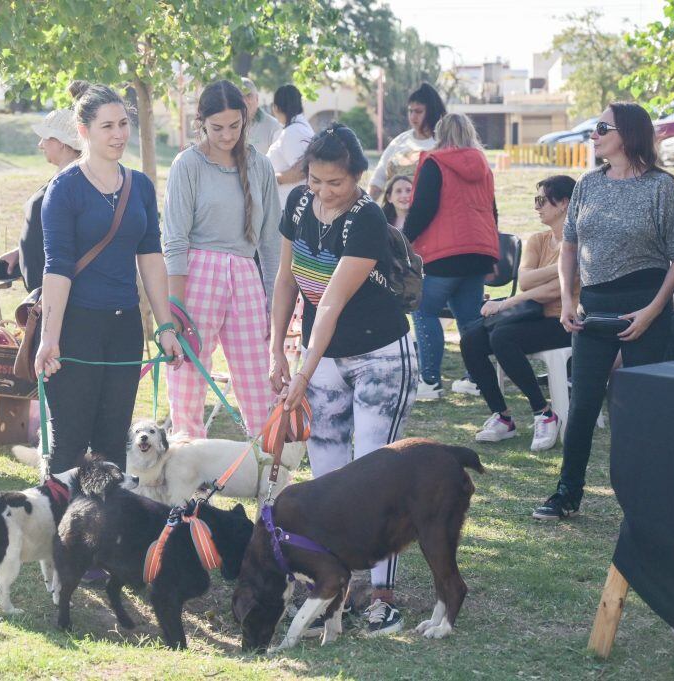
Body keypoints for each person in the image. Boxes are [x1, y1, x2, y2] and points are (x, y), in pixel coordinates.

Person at [272, 124, 417, 635]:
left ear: (357, 177)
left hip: (380, 356)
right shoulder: (295, 205)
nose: (323, 191)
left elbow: (331, 301)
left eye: (335, 182)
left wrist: (302, 369)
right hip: (322, 356)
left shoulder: (367, 219)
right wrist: (278, 354)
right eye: (315, 179)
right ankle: (331, 589)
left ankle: (380, 594)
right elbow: (287, 281)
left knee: (376, 471)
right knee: (329, 477)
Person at [533, 103, 674, 521]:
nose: (593, 135)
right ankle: (567, 494)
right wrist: (566, 302)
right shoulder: (588, 184)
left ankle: (649, 498)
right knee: (581, 406)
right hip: (592, 310)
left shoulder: (660, 188)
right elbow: (569, 247)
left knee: (642, 406)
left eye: (601, 127)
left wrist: (653, 311)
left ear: (628, 134)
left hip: (645, 308)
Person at [35, 83, 184, 473]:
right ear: (83, 131)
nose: (118, 134)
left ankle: (101, 531)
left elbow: (151, 256)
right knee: (70, 443)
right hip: (76, 326)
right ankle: (59, 530)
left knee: (112, 444)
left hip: (125, 328)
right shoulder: (63, 189)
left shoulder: (140, 186)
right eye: (107, 126)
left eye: (122, 124)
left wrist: (165, 325)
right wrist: (49, 338)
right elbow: (57, 267)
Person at [163, 80, 281, 438]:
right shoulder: (188, 164)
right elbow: (175, 239)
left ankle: (267, 469)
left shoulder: (260, 166)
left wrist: (276, 306)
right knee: (187, 379)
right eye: (217, 128)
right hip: (197, 273)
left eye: (235, 125)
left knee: (259, 379)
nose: (227, 135)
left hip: (246, 274)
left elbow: (273, 242)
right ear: (201, 122)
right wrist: (175, 309)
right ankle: (186, 468)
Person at [460, 175, 579, 451]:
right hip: (532, 316)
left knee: (503, 337)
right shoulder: (538, 240)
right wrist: (563, 265)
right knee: (471, 338)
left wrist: (505, 304)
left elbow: (555, 292)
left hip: (563, 321)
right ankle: (502, 417)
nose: (536, 207)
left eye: (541, 200)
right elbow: (526, 280)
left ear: (563, 203)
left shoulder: (581, 243)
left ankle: (543, 412)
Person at [404, 113, 499, 400]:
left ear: (440, 134)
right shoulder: (484, 166)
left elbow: (423, 208)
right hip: (478, 251)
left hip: (444, 253)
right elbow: (492, 210)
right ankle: (475, 378)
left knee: (424, 310)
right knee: (470, 319)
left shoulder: (435, 163)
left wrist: (403, 240)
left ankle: (430, 381)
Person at [0, 82, 86, 291]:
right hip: (41, 298)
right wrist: (20, 252)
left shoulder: (74, 182)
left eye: (45, 137)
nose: (40, 144)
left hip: (60, 299)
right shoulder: (63, 178)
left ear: (62, 142)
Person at [368, 83, 447, 200]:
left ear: (432, 112)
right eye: (410, 111)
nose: (413, 116)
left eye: (418, 111)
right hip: (394, 217)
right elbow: (378, 181)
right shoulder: (399, 142)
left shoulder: (445, 144)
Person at [266, 84, 315, 207]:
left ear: (275, 108)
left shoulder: (293, 132)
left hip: (291, 206)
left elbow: (302, 171)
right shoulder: (299, 128)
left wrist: (270, 179)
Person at [240, 77, 282, 155]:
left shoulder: (273, 126)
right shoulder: (227, 125)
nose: (244, 101)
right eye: (240, 96)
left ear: (257, 98)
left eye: (249, 96)